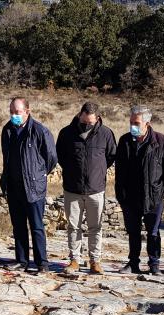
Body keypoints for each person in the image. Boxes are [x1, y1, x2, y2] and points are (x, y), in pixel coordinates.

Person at [114, 105, 164, 275]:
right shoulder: (125, 140)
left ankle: (154, 265)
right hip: (130, 197)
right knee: (133, 232)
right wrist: (121, 194)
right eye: (131, 122)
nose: (132, 126)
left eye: (136, 123)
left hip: (154, 196)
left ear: (147, 123)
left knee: (153, 233)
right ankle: (133, 263)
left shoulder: (161, 141)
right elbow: (119, 170)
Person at [56, 102, 117, 274]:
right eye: (85, 121)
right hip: (72, 189)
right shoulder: (66, 133)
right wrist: (72, 171)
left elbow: (111, 156)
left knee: (95, 227)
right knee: (73, 226)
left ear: (97, 118)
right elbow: (60, 156)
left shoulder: (106, 134)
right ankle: (74, 260)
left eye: (91, 122)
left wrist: (97, 172)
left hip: (96, 189)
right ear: (80, 114)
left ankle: (94, 261)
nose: (87, 124)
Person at [0, 97, 58, 273]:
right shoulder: (7, 130)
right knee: (18, 226)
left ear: (27, 111)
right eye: (11, 112)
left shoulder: (40, 131)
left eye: (17, 112)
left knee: (36, 226)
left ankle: (42, 263)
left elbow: (51, 159)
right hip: (14, 186)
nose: (13, 115)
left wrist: (38, 175)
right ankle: (22, 260)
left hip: (33, 187)